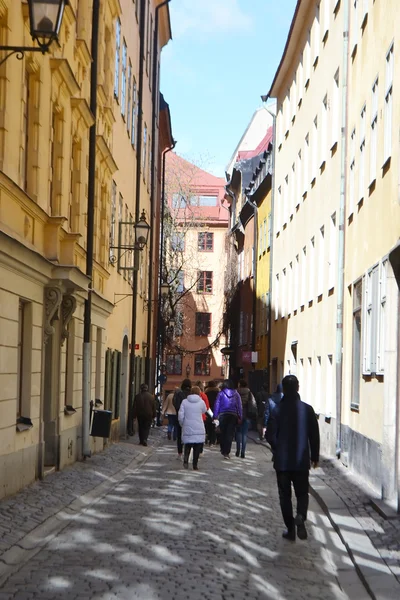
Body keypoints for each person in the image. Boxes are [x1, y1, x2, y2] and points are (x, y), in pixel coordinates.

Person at [267, 375, 319, 542]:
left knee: (285, 496)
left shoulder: (277, 410)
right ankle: (301, 516)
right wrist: (315, 456)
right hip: (301, 460)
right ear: (297, 387)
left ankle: (290, 530)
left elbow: (269, 434)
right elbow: (314, 435)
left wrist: (278, 447)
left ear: (283, 389)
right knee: (302, 493)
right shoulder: (307, 409)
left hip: (282, 462)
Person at [178, 385, 207, 470]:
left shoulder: (184, 402)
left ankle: (186, 461)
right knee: (197, 447)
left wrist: (182, 423)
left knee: (188, 445)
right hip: (199, 426)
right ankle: (195, 465)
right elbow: (204, 410)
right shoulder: (201, 402)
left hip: (188, 426)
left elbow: (180, 415)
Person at [213, 380, 242, 459]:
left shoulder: (221, 394)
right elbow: (239, 406)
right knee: (230, 434)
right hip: (233, 415)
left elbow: (217, 404)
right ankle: (227, 452)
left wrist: (215, 415)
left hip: (222, 414)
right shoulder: (236, 394)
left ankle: (223, 449)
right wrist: (240, 416)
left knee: (222, 432)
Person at [235, 379, 257, 459]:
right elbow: (254, 404)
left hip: (238, 415)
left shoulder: (236, 392)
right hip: (247, 415)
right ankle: (243, 452)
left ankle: (237, 450)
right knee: (244, 434)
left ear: (240, 384)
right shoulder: (249, 393)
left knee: (238, 433)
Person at [173, 378, 192, 459]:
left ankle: (180, 453)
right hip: (190, 417)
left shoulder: (178, 393)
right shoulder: (192, 394)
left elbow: (176, 405)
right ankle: (187, 453)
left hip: (180, 416)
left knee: (179, 435)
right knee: (189, 435)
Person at [205, 380, 220, 445]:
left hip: (208, 410)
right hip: (216, 410)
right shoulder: (218, 392)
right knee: (215, 425)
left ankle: (208, 438)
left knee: (208, 425)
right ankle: (213, 440)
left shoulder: (206, 392)